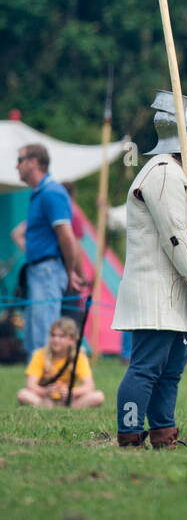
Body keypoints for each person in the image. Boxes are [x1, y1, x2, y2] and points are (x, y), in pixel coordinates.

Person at [112, 91, 187, 448]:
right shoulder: (163, 173)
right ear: (185, 134)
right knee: (146, 368)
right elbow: (174, 237)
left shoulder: (182, 174)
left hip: (176, 291)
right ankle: (129, 434)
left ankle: (163, 432)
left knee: (171, 369)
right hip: (156, 288)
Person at [15, 144, 87, 358]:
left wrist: (69, 271)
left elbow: (67, 236)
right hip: (37, 271)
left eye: (20, 160)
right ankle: (36, 389)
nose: (16, 166)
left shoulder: (51, 193)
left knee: (44, 338)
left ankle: (48, 390)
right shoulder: (39, 193)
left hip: (48, 271)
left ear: (34, 162)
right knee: (33, 339)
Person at [18, 317, 104, 408]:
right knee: (23, 394)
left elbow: (89, 386)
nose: (56, 340)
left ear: (71, 340)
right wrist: (45, 391)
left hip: (70, 398)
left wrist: (71, 392)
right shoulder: (39, 354)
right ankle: (49, 406)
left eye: (61, 336)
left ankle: (66, 406)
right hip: (45, 397)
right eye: (53, 335)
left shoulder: (78, 357)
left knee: (98, 396)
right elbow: (30, 384)